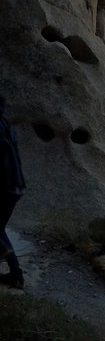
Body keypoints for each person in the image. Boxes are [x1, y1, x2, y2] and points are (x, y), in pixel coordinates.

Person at [0, 94, 25, 289]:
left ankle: (16, 274)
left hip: (6, 186)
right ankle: (15, 273)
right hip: (16, 185)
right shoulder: (8, 126)